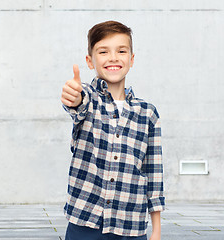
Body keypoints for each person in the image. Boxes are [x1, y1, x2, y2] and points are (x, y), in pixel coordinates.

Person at [60, 21, 165, 240]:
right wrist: (74, 97)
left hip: (131, 226)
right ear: (90, 61)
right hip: (84, 223)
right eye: (103, 51)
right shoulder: (88, 99)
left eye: (121, 51)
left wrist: (156, 231)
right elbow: (77, 104)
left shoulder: (148, 114)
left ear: (132, 59)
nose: (113, 57)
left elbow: (153, 175)